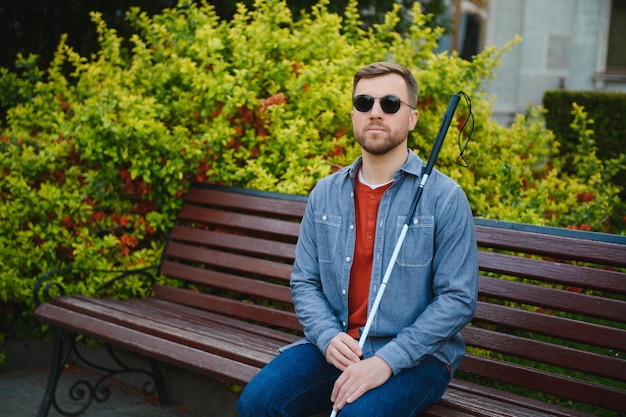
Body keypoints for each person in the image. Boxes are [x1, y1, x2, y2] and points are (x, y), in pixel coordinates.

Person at [237, 62, 478, 417]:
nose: (375, 112)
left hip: (418, 356)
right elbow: (305, 281)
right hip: (339, 344)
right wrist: (327, 336)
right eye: (364, 103)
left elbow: (457, 299)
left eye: (391, 104)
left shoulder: (444, 197)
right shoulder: (325, 193)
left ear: (412, 117)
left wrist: (387, 361)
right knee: (257, 404)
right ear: (353, 114)